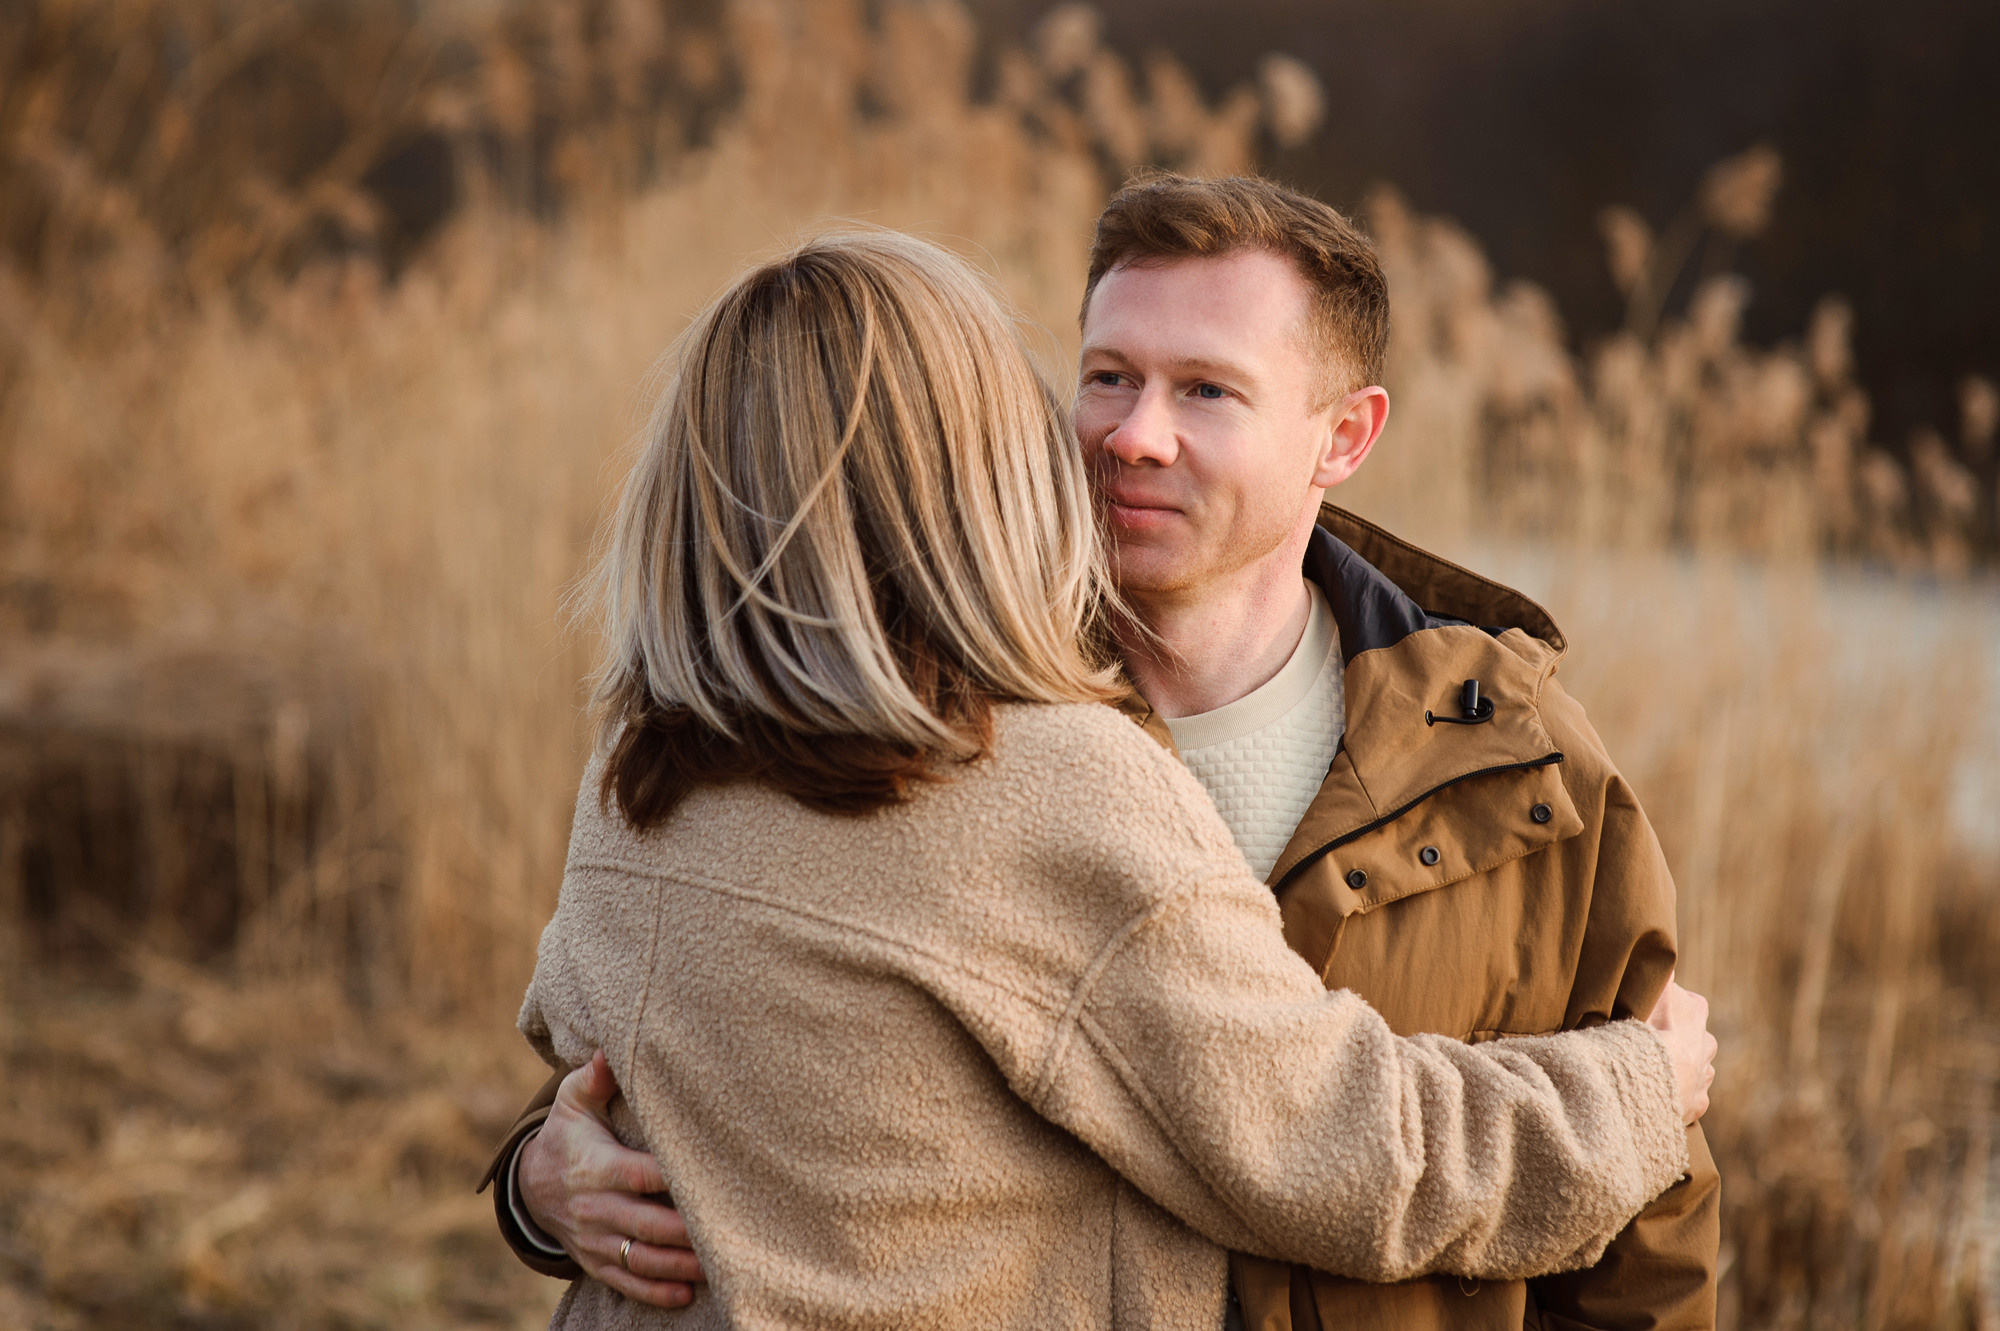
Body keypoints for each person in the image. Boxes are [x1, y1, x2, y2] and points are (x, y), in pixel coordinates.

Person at [483, 186, 1720, 1327]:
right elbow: (1347, 1144)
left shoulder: (1515, 763)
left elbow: (1647, 1255)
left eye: (1206, 391)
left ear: (1343, 435)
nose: (1132, 435)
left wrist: (544, 1181)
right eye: (1106, 377)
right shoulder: (1005, 758)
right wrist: (1635, 1092)